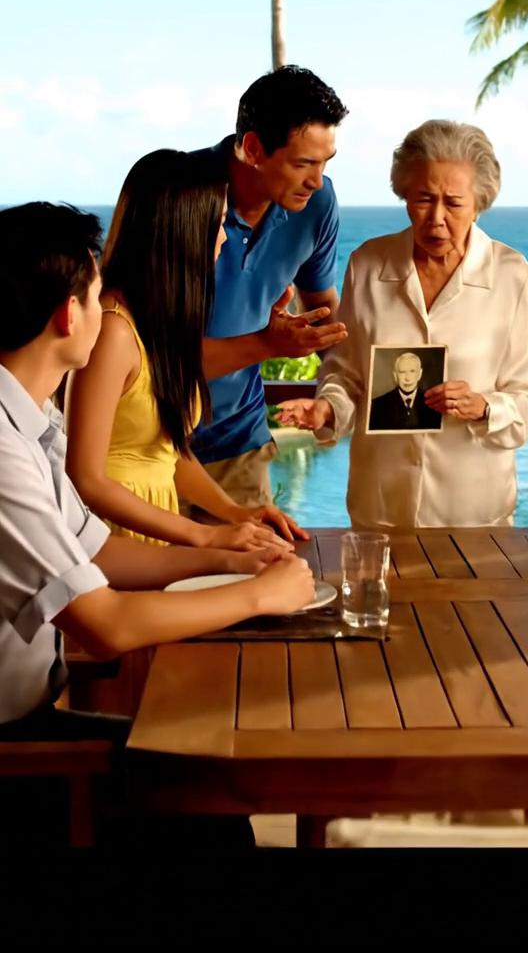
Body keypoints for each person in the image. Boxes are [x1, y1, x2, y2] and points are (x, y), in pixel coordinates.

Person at [0, 203, 314, 731]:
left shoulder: (35, 423)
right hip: (18, 743)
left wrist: (225, 560)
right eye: (96, 295)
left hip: (33, 715)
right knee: (201, 772)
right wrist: (261, 594)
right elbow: (107, 625)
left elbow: (96, 549)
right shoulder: (6, 451)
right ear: (68, 314)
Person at [277, 120, 528, 529]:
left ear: (479, 204)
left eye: (454, 203)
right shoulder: (368, 265)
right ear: (405, 196)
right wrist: (326, 409)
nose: (436, 218)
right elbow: (346, 373)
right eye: (423, 199)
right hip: (380, 510)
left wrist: (484, 406)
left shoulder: (512, 275)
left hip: (475, 515)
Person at [64, 150, 301, 551]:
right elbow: (85, 478)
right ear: (183, 230)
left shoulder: (152, 323)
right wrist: (206, 536)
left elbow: (166, 454)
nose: (225, 237)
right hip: (111, 539)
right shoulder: (114, 331)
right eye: (219, 222)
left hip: (155, 527)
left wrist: (234, 512)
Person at [182, 65, 350, 520]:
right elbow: (146, 355)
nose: (317, 180)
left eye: (325, 163)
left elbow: (324, 314)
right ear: (253, 148)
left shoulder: (317, 204)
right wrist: (271, 343)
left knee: (253, 582)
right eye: (303, 164)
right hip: (151, 443)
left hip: (239, 443)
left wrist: (351, 393)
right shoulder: (178, 197)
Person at [368, 352, 441, 431]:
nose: (407, 378)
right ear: (395, 376)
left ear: (420, 374)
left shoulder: (435, 402)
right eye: (402, 372)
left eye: (412, 371)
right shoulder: (378, 406)